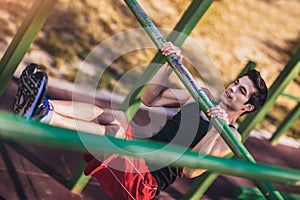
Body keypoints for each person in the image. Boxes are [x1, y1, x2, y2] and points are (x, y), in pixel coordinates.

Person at [13, 42, 268, 199]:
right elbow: (150, 98)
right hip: (136, 155)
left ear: (247, 107)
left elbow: (191, 170)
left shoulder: (231, 137)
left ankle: (44, 116)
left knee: (118, 128)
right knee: (117, 117)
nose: (233, 89)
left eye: (241, 91)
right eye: (236, 83)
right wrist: (168, 63)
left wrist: (215, 128)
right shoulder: (202, 100)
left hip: (145, 182)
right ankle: (41, 104)